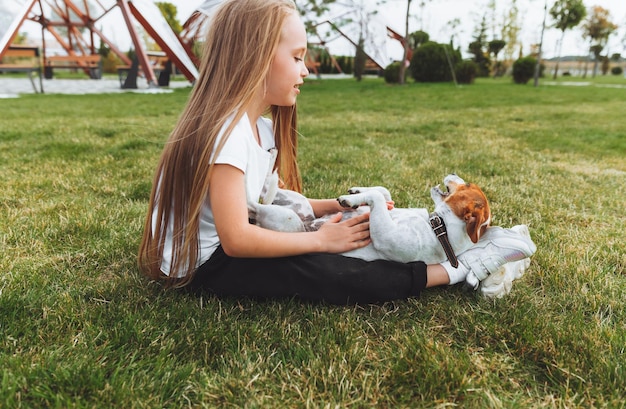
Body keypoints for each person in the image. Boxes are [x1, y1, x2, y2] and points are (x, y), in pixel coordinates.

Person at [138, 0, 536, 305]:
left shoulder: (257, 128)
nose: (305, 69)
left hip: (234, 243)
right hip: (209, 264)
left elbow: (256, 203)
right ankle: (456, 269)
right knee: (339, 275)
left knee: (359, 246)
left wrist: (332, 207)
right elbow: (237, 238)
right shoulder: (227, 134)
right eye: (296, 57)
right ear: (254, 58)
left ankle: (463, 243)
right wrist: (322, 241)